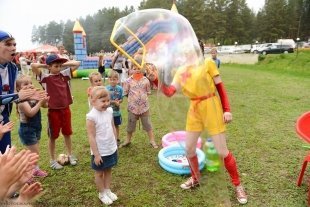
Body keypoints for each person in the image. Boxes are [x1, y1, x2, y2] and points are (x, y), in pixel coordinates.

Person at [161, 59, 247, 204]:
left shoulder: (208, 63)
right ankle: (195, 178)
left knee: (222, 151)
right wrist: (158, 79)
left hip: (211, 104)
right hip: (194, 109)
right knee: (189, 149)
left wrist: (227, 110)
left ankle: (238, 185)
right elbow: (170, 92)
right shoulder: (181, 70)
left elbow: (220, 87)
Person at [0, 30, 46, 154]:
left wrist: (31, 97)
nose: (13, 48)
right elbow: (15, 95)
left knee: (5, 154)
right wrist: (18, 96)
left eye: (14, 44)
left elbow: (15, 95)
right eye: (8, 44)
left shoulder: (13, 68)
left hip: (4, 120)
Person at [31, 54, 80, 170]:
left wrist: (63, 64)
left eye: (60, 66)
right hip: (53, 111)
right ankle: (52, 160)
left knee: (67, 133)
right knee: (53, 136)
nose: (58, 68)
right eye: (56, 66)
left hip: (65, 109)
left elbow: (77, 63)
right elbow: (33, 66)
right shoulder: (45, 78)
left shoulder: (64, 75)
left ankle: (70, 155)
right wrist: (45, 65)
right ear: (49, 67)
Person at [86, 86, 118, 205]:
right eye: (103, 101)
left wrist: (115, 144)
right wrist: (96, 154)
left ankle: (107, 189)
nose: (106, 104)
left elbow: (113, 127)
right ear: (93, 101)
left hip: (110, 148)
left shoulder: (109, 111)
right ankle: (101, 193)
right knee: (99, 173)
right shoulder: (91, 117)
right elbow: (91, 137)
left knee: (108, 170)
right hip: (100, 151)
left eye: (107, 101)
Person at [121, 55, 158, 149]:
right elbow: (125, 93)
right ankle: (128, 140)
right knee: (130, 125)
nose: (137, 70)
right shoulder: (128, 81)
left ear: (142, 68)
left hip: (144, 107)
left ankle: (152, 140)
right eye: (134, 68)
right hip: (132, 107)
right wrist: (132, 100)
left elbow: (148, 92)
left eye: (139, 68)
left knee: (148, 124)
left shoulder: (146, 80)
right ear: (131, 69)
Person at [16, 75, 49, 177]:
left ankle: (33, 170)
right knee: (34, 153)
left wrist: (44, 99)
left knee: (33, 152)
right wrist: (40, 102)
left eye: (31, 83)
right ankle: (29, 172)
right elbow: (30, 113)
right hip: (27, 129)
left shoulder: (34, 97)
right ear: (18, 89)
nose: (30, 85)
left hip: (36, 127)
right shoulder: (22, 102)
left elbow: (45, 106)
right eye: (25, 84)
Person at [105, 71, 123, 145]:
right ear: (108, 80)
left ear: (117, 80)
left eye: (114, 79)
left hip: (116, 112)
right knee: (108, 126)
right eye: (111, 79)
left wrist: (119, 102)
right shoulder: (106, 89)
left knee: (116, 125)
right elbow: (105, 101)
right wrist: (113, 102)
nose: (112, 81)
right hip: (107, 112)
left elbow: (121, 99)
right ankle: (110, 139)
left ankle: (117, 138)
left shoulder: (120, 89)